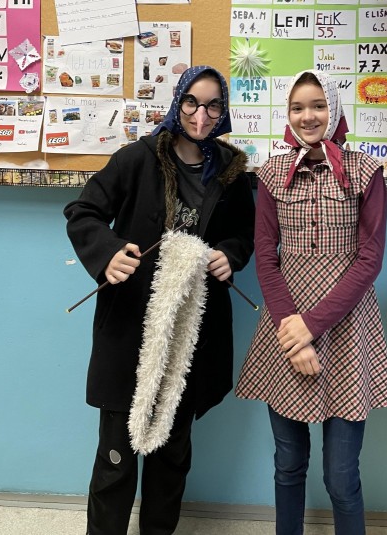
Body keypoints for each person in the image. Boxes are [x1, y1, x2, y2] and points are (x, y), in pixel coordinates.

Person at [64, 65, 255, 535]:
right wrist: (109, 253)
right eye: (192, 102)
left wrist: (229, 255)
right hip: (131, 324)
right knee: (116, 459)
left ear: (223, 112)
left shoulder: (231, 171)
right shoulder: (137, 158)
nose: (201, 116)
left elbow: (243, 234)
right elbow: (83, 211)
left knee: (171, 456)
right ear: (177, 102)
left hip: (191, 332)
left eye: (213, 106)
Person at [236, 69, 387, 535]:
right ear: (287, 114)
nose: (308, 116)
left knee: (341, 478)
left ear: (335, 109)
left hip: (347, 329)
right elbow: (266, 256)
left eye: (318, 105)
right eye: (297, 107)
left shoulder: (365, 171)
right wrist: (294, 331)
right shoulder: (271, 174)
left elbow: (369, 260)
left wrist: (312, 326)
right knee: (288, 464)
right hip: (284, 328)